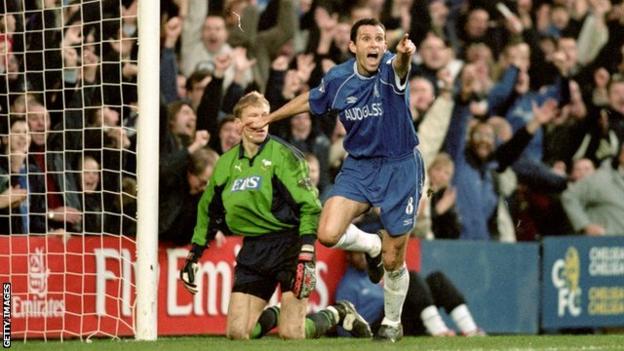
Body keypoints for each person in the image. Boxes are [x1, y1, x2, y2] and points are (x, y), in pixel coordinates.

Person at [246, 18, 423, 342]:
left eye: (379, 39)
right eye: (366, 38)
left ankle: (392, 323)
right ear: (353, 46)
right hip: (359, 166)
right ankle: (370, 245)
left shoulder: (391, 68)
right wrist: (270, 117)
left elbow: (401, 64)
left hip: (401, 166)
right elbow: (310, 100)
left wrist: (405, 54)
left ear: (385, 46)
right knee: (326, 232)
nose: (373, 44)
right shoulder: (339, 78)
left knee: (394, 257)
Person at [179, 91, 370, 339]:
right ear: (238, 124)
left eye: (264, 115)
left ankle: (338, 312)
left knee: (292, 334)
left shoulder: (284, 156)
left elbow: (310, 206)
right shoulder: (225, 165)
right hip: (254, 249)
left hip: (290, 246)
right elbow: (208, 211)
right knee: (237, 333)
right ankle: (281, 313)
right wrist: (194, 255)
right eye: (253, 116)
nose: (261, 122)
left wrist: (307, 250)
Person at [335, 251, 484, 337]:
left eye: (364, 253)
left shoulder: (378, 274)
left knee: (436, 279)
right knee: (409, 278)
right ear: (349, 257)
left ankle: (470, 329)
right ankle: (439, 331)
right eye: (357, 253)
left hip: (400, 318)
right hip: (379, 327)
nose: (362, 256)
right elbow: (342, 324)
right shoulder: (348, 285)